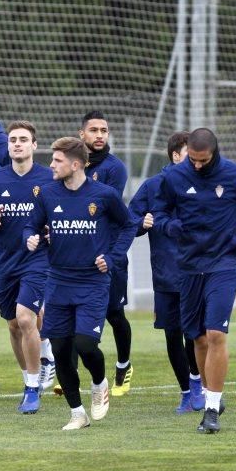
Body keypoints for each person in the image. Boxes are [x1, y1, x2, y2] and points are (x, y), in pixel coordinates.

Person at [153, 128, 236, 434]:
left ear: (214, 153)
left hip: (224, 264)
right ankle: (211, 396)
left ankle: (212, 409)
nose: (197, 165)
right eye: (192, 159)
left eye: (203, 160)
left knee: (216, 333)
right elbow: (159, 211)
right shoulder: (175, 177)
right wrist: (170, 227)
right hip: (188, 266)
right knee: (198, 338)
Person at [24, 137, 137, 430]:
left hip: (93, 282)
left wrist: (112, 257)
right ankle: (77, 413)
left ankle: (100, 384)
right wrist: (31, 236)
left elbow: (128, 225)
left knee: (86, 343)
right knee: (61, 350)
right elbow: (31, 224)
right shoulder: (47, 194)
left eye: (57, 160)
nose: (51, 164)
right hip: (58, 280)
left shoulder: (104, 195)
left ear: (76, 164)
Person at [128, 131, 204, 414]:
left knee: (194, 334)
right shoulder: (152, 187)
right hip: (166, 275)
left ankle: (199, 385)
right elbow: (130, 221)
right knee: (172, 334)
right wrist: (142, 222)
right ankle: (186, 391)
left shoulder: (206, 183)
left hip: (198, 272)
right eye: (190, 152)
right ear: (176, 155)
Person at [0, 121, 53, 414]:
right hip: (4, 261)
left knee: (25, 318)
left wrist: (51, 230)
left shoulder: (48, 178)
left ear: (34, 145)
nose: (18, 144)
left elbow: (61, 211)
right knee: (13, 325)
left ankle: (33, 387)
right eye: (13, 139)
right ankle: (29, 379)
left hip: (37, 260)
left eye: (24, 139)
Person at [79, 110, 133, 397]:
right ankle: (72, 373)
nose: (100, 135)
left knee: (114, 313)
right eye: (94, 130)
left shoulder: (114, 169)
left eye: (104, 130)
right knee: (73, 313)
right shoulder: (74, 165)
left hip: (108, 254)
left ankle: (123, 365)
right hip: (76, 255)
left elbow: (102, 207)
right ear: (82, 134)